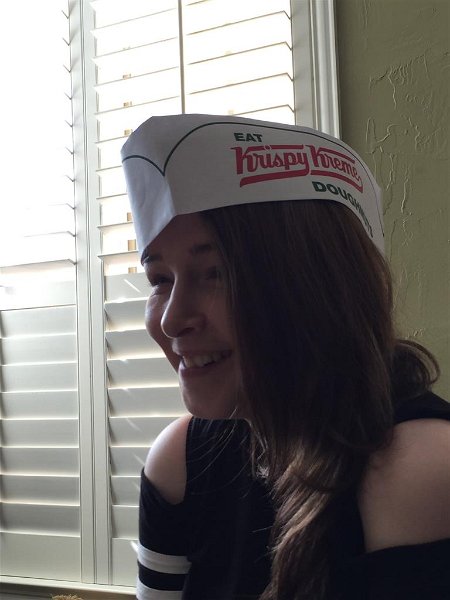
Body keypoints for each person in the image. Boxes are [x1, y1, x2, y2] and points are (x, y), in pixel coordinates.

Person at [121, 114, 450, 600]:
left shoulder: (421, 467)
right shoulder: (180, 461)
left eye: (216, 272)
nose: (171, 321)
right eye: (160, 280)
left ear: (318, 286)